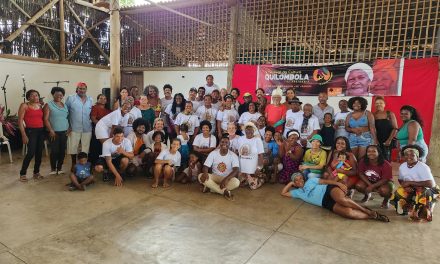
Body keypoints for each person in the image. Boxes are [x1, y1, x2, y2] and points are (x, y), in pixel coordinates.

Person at [281, 174, 389, 222]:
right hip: (325, 203)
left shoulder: (310, 181)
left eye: (301, 179)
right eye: (296, 180)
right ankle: (373, 216)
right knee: (348, 213)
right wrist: (290, 183)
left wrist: (338, 184)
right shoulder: (297, 193)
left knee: (341, 200)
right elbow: (283, 193)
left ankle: (365, 210)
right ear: (294, 183)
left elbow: (325, 181)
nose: (300, 181)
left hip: (328, 190)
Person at [390, 145, 438, 221]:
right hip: (413, 187)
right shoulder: (402, 166)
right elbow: (401, 180)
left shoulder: (423, 167)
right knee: (399, 192)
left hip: (428, 189)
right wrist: (406, 187)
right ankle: (407, 207)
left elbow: (430, 184)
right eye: (406, 155)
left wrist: (410, 182)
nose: (409, 157)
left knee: (423, 193)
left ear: (417, 157)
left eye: (412, 155)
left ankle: (424, 212)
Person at [198, 135, 240, 200]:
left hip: (226, 178)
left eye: (226, 142)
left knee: (236, 182)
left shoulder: (233, 155)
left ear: (229, 144)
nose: (224, 144)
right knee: (200, 176)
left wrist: (226, 179)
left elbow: (236, 170)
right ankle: (223, 191)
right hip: (215, 177)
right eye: (222, 142)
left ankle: (211, 188)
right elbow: (206, 166)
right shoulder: (213, 153)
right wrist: (205, 173)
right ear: (219, 143)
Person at [65, 82, 93, 171]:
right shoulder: (71, 98)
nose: (82, 90)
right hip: (73, 127)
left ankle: (84, 164)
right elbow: (66, 112)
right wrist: (68, 126)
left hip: (87, 127)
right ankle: (73, 163)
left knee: (85, 147)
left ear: (86, 90)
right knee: (73, 146)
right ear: (77, 89)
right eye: (80, 88)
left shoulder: (90, 99)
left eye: (83, 88)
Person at [18, 89, 45, 182]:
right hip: (30, 131)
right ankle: (22, 173)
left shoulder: (40, 105)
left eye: (36, 95)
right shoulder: (24, 105)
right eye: (32, 95)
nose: (35, 97)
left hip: (41, 131)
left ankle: (36, 172)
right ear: (28, 97)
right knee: (31, 153)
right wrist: (23, 135)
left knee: (39, 153)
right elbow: (20, 121)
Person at [43, 87, 69, 175]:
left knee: (62, 151)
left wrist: (69, 128)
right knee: (54, 151)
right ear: (53, 94)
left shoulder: (64, 105)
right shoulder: (48, 105)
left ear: (63, 96)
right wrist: (51, 130)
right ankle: (53, 168)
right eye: (57, 94)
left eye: (61, 95)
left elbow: (67, 117)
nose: (59, 96)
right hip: (54, 132)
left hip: (64, 131)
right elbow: (45, 119)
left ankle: (60, 168)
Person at [345, 96, 377, 161]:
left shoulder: (368, 113)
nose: (356, 104)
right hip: (352, 138)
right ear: (351, 104)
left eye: (358, 103)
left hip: (365, 138)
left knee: (362, 159)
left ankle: (361, 171)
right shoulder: (349, 115)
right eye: (354, 103)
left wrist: (375, 140)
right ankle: (354, 171)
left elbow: (372, 128)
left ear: (362, 104)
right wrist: (352, 129)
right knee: (353, 159)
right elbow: (346, 127)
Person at [237, 123, 265, 189]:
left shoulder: (257, 140)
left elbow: (261, 155)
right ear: (244, 130)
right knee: (239, 185)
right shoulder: (240, 139)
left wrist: (258, 168)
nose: (249, 131)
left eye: (251, 129)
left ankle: (262, 177)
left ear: (254, 131)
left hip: (253, 169)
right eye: (247, 129)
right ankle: (247, 178)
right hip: (242, 169)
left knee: (253, 187)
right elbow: (238, 153)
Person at [373, 96, 398, 161]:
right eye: (377, 103)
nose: (379, 105)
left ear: (384, 104)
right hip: (377, 139)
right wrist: (375, 140)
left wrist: (389, 140)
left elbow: (395, 128)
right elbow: (372, 128)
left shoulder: (389, 113)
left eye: (381, 103)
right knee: (376, 157)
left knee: (386, 158)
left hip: (388, 139)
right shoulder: (373, 114)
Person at [89, 94, 111, 165]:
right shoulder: (95, 107)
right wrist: (102, 126)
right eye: (101, 98)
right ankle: (95, 163)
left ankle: (103, 162)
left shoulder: (108, 110)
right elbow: (93, 119)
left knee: (104, 146)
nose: (103, 100)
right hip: (97, 129)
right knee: (96, 146)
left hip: (106, 130)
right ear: (97, 100)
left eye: (104, 98)